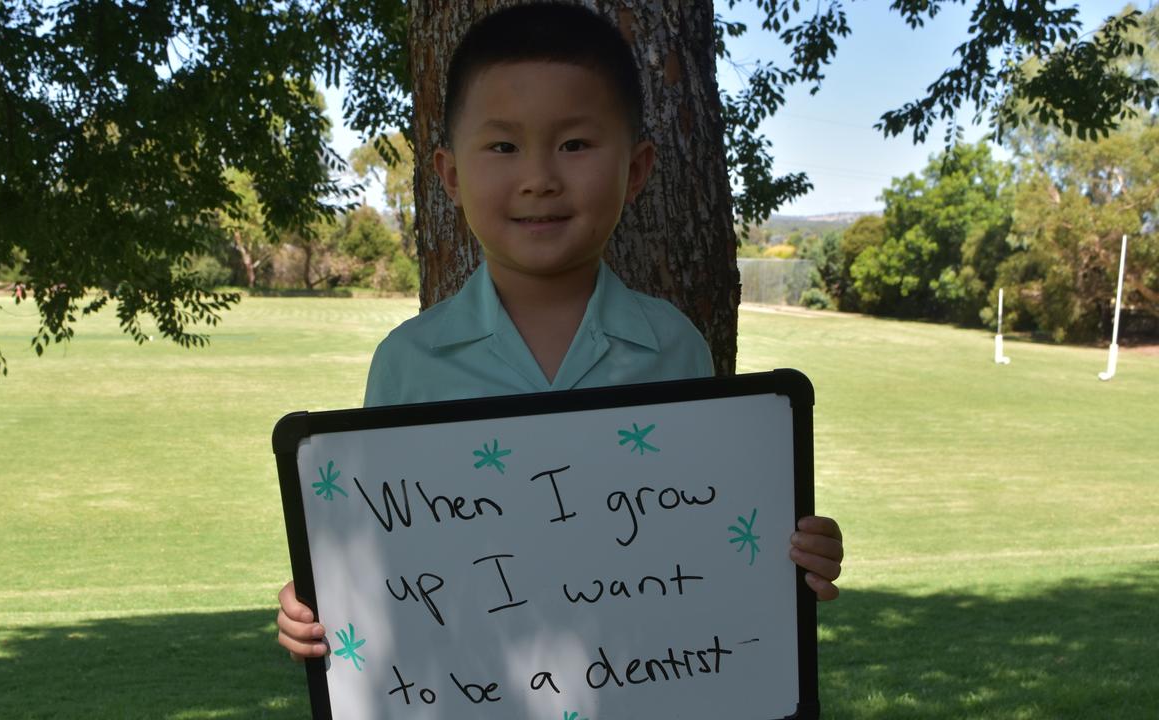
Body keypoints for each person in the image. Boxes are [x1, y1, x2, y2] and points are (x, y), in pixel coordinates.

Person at [277, 1, 844, 662]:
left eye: (575, 144)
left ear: (635, 170)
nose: (539, 179)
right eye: (503, 146)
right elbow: (380, 560)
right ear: (451, 176)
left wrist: (791, 552)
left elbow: (708, 541)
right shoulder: (408, 361)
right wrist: (317, 614)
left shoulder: (675, 346)